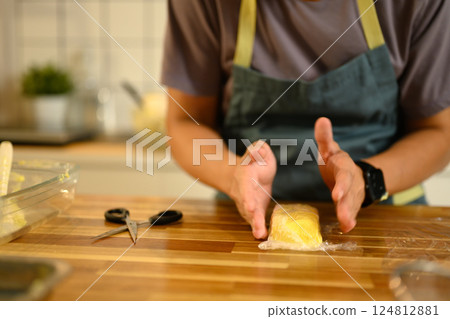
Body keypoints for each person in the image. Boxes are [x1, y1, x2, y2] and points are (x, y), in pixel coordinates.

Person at [161, 0, 450, 239]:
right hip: (244, 226)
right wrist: (234, 176)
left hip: (386, 219)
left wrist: (366, 179)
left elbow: (439, 132)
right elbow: (186, 122)